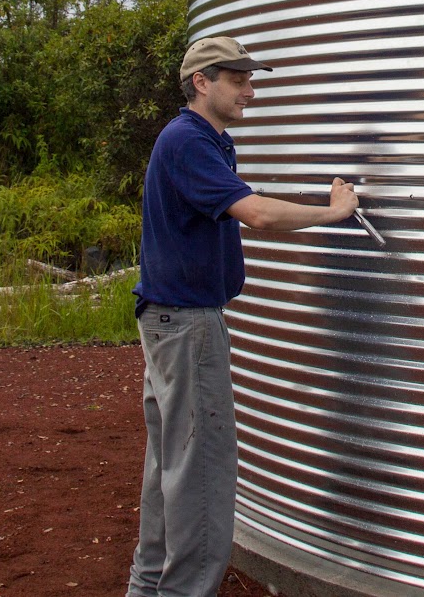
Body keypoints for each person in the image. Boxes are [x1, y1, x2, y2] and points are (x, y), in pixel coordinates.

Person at [126, 35, 358, 597]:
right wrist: (333, 212)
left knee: (169, 472)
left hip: (169, 325)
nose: (250, 91)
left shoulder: (207, 141)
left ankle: (148, 586)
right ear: (202, 83)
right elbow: (255, 213)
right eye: (239, 79)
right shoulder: (188, 141)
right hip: (188, 328)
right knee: (202, 475)